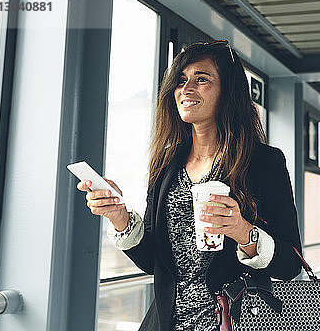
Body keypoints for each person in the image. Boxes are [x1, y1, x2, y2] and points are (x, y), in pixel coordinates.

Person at [77, 40, 303, 331]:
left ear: (228, 92)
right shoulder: (166, 164)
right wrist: (119, 217)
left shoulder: (264, 162)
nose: (186, 89)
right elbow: (153, 263)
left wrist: (242, 231)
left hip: (237, 322)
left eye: (202, 79)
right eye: (181, 80)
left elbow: (290, 265)